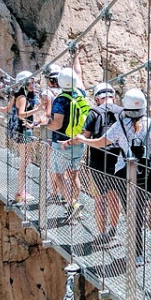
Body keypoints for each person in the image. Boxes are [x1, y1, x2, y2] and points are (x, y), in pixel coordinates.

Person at [73, 88, 151, 265]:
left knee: (132, 212)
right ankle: (137, 249)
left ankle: (136, 253)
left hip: (124, 174)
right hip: (148, 175)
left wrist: (82, 139)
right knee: (137, 211)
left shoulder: (119, 125)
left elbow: (99, 143)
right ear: (143, 107)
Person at [81, 82, 124, 245]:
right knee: (114, 197)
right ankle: (113, 230)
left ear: (98, 99)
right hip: (119, 161)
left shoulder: (94, 112)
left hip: (97, 161)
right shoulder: (123, 113)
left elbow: (86, 135)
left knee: (99, 199)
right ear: (113, 96)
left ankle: (102, 233)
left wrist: (76, 139)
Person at [46, 68, 88, 217]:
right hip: (78, 141)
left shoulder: (60, 99)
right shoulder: (81, 94)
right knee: (74, 176)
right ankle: (74, 204)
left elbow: (57, 124)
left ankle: (72, 203)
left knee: (58, 175)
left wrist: (46, 124)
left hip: (61, 143)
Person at [0, 71, 38, 203]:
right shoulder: (23, 97)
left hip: (20, 131)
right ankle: (21, 192)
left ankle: (21, 191)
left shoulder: (17, 95)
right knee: (25, 162)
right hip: (24, 131)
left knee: (25, 161)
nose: (33, 84)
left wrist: (1, 109)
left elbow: (8, 108)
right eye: (31, 82)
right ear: (25, 83)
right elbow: (22, 114)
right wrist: (38, 110)